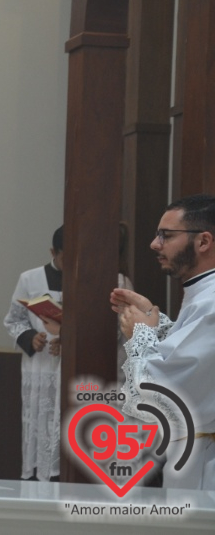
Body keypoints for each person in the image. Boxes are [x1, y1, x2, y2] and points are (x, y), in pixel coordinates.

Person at [111, 193, 215, 490]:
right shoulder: (204, 296)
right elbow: (193, 357)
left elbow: (169, 388)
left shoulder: (212, 303)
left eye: (166, 235)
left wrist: (141, 335)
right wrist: (155, 325)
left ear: (203, 242)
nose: (154, 244)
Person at [2, 226, 65, 482]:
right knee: (40, 428)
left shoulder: (85, 277)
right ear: (53, 252)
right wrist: (31, 338)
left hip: (69, 367)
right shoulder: (30, 279)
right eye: (64, 257)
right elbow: (13, 320)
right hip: (40, 367)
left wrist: (68, 339)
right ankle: (37, 477)